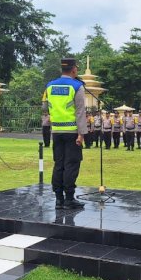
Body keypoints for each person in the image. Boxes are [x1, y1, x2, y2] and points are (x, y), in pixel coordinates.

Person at [44, 58, 88, 208]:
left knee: (59, 164)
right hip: (72, 131)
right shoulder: (77, 86)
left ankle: (58, 199)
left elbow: (45, 106)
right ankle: (69, 199)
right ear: (74, 70)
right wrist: (81, 134)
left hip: (56, 131)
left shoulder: (49, 86)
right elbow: (80, 112)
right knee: (71, 164)